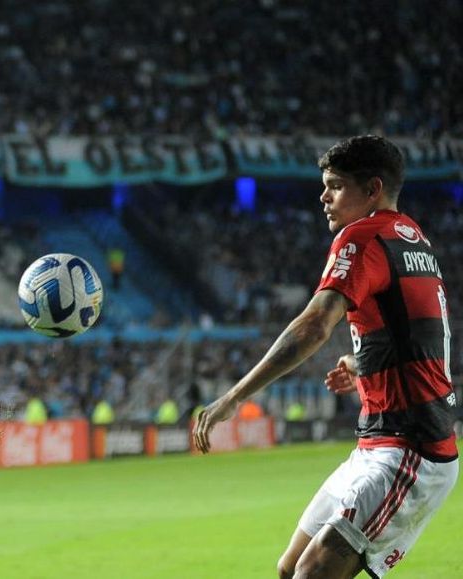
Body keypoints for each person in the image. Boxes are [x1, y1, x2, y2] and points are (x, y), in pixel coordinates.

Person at [193, 135, 458, 579]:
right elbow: (419, 339)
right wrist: (360, 366)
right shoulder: (412, 239)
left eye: (335, 185)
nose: (323, 196)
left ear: (372, 190)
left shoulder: (363, 237)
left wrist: (233, 397)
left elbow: (315, 326)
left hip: (410, 448)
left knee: (310, 575)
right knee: (290, 567)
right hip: (376, 444)